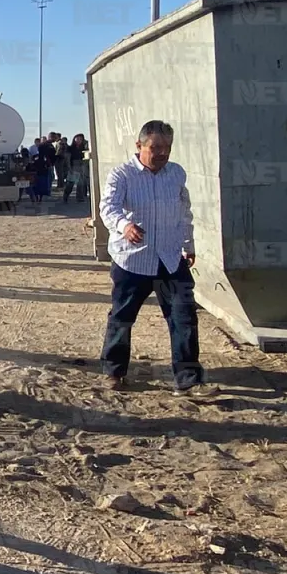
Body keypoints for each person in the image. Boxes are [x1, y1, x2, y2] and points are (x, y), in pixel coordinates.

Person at [98, 120, 207, 395]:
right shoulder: (122, 175)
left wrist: (188, 244)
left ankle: (188, 380)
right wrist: (125, 226)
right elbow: (108, 208)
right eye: (155, 147)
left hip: (170, 258)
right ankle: (114, 371)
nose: (162, 153)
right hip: (133, 260)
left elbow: (184, 212)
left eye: (167, 147)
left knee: (184, 317)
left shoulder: (176, 174)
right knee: (122, 317)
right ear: (139, 146)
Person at [64, 134, 90, 204]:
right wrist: (69, 168)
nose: (79, 140)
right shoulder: (70, 148)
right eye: (77, 138)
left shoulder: (84, 148)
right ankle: (65, 196)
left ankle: (80, 198)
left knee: (80, 184)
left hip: (81, 166)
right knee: (70, 184)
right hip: (73, 166)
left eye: (80, 139)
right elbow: (68, 159)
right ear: (74, 139)